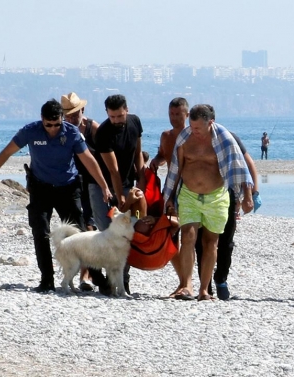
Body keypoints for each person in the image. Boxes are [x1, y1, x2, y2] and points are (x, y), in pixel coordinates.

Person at [0, 99, 112, 293]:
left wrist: (104, 186)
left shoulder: (71, 133)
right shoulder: (30, 131)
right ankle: (47, 279)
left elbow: (90, 160)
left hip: (67, 188)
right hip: (40, 189)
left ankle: (98, 277)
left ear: (62, 119)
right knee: (40, 231)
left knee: (81, 233)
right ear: (42, 120)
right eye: (48, 125)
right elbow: (7, 151)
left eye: (56, 124)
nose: (52, 129)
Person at [163, 104, 254, 301]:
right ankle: (186, 286)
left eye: (197, 127)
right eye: (191, 126)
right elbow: (176, 169)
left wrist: (248, 195)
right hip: (189, 194)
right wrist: (170, 195)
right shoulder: (185, 138)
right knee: (188, 236)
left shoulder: (224, 139)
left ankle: (204, 290)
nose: (193, 130)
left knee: (211, 242)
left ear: (210, 123)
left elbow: (240, 166)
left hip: (216, 196)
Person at [90, 94, 145, 295]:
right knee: (107, 232)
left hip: (128, 183)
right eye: (112, 117)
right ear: (107, 114)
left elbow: (138, 153)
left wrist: (142, 179)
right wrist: (119, 197)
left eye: (120, 116)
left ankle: (123, 280)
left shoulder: (135, 122)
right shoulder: (103, 133)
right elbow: (113, 171)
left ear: (126, 110)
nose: (116, 121)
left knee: (128, 232)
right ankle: (106, 279)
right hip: (102, 186)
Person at [61, 92, 99, 292]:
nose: (71, 119)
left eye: (74, 114)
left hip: (91, 182)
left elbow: (105, 155)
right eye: (67, 115)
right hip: (72, 183)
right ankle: (80, 272)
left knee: (91, 226)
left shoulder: (93, 128)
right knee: (79, 226)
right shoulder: (62, 130)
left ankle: (88, 274)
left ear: (82, 111)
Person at [149, 97, 190, 173]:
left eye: (178, 114)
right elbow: (162, 156)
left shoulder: (193, 136)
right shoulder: (166, 136)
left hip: (190, 182)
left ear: (187, 115)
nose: (174, 117)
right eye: (171, 114)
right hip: (171, 182)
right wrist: (156, 161)